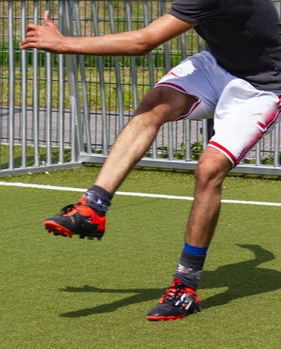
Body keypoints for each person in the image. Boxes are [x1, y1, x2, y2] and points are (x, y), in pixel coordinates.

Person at [20, 0, 281, 321]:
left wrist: (64, 43)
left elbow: (143, 42)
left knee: (209, 170)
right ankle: (92, 207)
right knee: (155, 103)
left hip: (262, 86)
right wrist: (255, 255)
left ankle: (185, 287)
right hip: (217, 64)